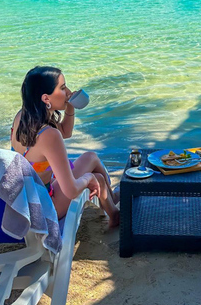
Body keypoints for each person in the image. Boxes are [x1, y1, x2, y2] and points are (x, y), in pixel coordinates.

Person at [11, 66, 120, 227]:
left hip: (25, 200)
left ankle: (111, 199)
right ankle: (114, 213)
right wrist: (88, 178)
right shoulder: (49, 135)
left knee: (91, 157)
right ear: (46, 98)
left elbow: (65, 132)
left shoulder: (23, 116)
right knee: (97, 178)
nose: (68, 92)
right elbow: (71, 190)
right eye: (62, 88)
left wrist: (69, 105)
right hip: (44, 207)